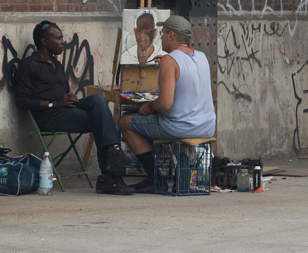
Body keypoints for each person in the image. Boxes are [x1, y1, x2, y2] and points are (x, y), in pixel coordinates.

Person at [14, 20, 134, 195]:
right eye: (59, 38)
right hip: (49, 116)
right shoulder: (29, 65)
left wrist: (68, 99)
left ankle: (113, 153)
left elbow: (62, 94)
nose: (63, 42)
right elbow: (21, 101)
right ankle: (111, 176)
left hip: (66, 108)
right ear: (44, 41)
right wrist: (56, 103)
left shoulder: (57, 65)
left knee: (98, 101)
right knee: (100, 120)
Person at [119, 15, 216, 193]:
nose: (161, 38)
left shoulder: (169, 61)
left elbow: (164, 104)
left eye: (162, 34)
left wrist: (147, 108)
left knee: (125, 122)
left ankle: (155, 179)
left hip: (181, 127)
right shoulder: (202, 57)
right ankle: (181, 179)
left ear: (171, 35)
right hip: (206, 126)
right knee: (173, 124)